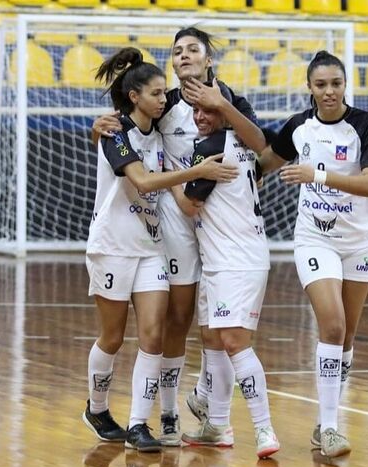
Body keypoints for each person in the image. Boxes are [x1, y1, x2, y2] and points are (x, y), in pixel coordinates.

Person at [92, 27, 265, 446]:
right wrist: (96, 128)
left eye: (193, 49)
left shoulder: (228, 100)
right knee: (178, 317)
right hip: (172, 217)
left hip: (220, 220)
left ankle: (210, 403)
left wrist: (222, 104)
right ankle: (167, 414)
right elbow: (119, 126)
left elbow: (261, 145)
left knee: (218, 318)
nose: (184, 55)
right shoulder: (162, 101)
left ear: (208, 59)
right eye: (177, 51)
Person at [259, 51, 368, 458]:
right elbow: (264, 164)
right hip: (315, 239)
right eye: (321, 85)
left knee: (346, 336)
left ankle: (325, 423)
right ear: (309, 87)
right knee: (331, 326)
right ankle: (331, 427)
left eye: (335, 83)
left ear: (345, 84)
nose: (329, 91)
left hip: (360, 242)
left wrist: (315, 174)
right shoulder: (299, 127)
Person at [173, 94, 280, 459]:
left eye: (209, 110)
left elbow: (189, 204)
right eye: (196, 111)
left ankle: (264, 429)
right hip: (221, 257)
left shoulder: (213, 146)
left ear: (225, 113)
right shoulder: (244, 141)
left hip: (236, 259)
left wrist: (168, 177)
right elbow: (268, 151)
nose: (200, 117)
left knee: (234, 342)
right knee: (213, 339)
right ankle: (216, 423)